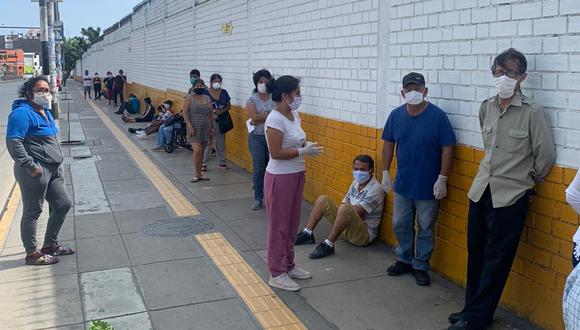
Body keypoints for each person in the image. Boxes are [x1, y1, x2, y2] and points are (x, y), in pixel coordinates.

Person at [449, 49, 556, 330]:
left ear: (522, 77)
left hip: (511, 197)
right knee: (476, 253)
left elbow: (545, 156)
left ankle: (477, 318)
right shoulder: (487, 107)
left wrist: (525, 182)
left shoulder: (533, 112)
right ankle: (470, 309)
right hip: (481, 190)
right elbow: (489, 148)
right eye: (498, 72)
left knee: (497, 260)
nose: (502, 78)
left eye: (509, 73)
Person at [382, 72, 456, 287]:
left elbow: (447, 147)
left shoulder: (438, 117)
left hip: (428, 185)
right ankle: (404, 258)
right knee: (400, 223)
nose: (413, 92)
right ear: (402, 92)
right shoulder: (396, 115)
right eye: (409, 89)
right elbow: (388, 142)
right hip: (403, 183)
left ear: (425, 91)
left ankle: (420, 265)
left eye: (418, 88)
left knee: (425, 226)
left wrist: (442, 177)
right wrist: (385, 171)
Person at [5, 77, 73, 265]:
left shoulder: (44, 111)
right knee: (33, 211)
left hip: (53, 169)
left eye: (47, 89)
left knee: (63, 204)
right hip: (35, 171)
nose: (46, 93)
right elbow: (13, 142)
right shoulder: (21, 113)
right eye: (40, 90)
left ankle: (50, 245)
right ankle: (32, 253)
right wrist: (30, 165)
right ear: (29, 93)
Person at [264, 75, 323, 291]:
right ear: (286, 95)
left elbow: (295, 139)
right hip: (280, 178)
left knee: (291, 225)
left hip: (297, 174)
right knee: (278, 226)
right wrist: (302, 151)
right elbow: (276, 152)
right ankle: (276, 273)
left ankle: (288, 264)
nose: (300, 96)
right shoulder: (274, 119)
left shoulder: (294, 114)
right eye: (297, 92)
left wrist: (305, 144)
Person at [295, 155, 385, 259]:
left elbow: (357, 212)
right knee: (323, 199)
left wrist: (343, 213)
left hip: (362, 236)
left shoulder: (376, 189)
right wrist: (341, 214)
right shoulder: (355, 183)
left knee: (345, 209)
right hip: (348, 228)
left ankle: (328, 244)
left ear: (371, 171)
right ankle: (307, 234)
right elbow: (345, 203)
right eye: (356, 169)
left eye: (362, 170)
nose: (358, 172)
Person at [246, 69, 276, 210]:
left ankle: (272, 196)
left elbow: (279, 113)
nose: (263, 84)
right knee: (259, 168)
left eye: (266, 81)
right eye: (260, 81)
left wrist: (260, 117)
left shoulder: (275, 97)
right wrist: (269, 115)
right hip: (257, 138)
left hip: (273, 137)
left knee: (273, 168)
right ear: (256, 83)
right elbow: (254, 117)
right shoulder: (252, 100)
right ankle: (259, 198)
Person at [183, 79, 214, 182]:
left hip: (206, 128)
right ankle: (196, 174)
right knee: (197, 150)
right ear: (193, 87)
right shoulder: (189, 98)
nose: (199, 87)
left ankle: (200, 174)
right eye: (197, 86)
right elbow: (185, 113)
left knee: (202, 151)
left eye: (201, 85)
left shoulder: (207, 98)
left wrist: (213, 128)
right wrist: (189, 125)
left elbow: (211, 114)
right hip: (193, 128)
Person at [202, 73, 231, 171]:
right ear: (210, 82)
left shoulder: (224, 93)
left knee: (220, 142)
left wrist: (220, 112)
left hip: (220, 121)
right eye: (215, 81)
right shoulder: (206, 93)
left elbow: (228, 106)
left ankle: (221, 163)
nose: (217, 83)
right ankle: (204, 163)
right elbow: (203, 106)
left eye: (219, 81)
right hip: (209, 122)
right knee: (208, 143)